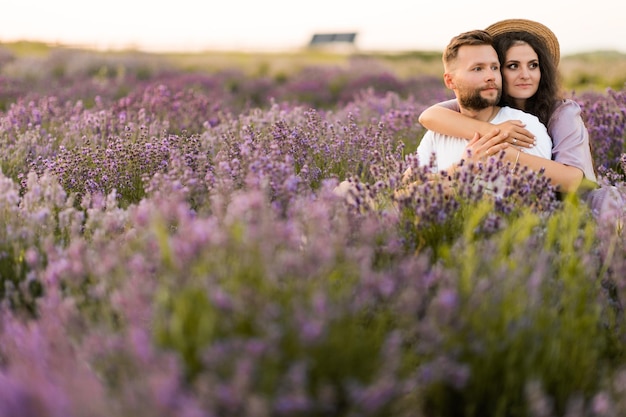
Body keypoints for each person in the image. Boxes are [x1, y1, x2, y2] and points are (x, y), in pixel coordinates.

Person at [418, 19, 624, 226]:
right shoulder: (484, 103)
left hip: (587, 209)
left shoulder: (561, 112)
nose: (525, 75)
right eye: (513, 66)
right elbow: (429, 116)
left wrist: (504, 154)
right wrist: (494, 132)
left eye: (533, 65)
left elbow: (572, 181)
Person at [414, 29, 552, 175]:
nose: (490, 76)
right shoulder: (437, 134)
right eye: (478, 68)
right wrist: (459, 171)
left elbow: (539, 194)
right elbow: (401, 193)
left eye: (494, 67)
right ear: (450, 80)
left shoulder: (524, 128)